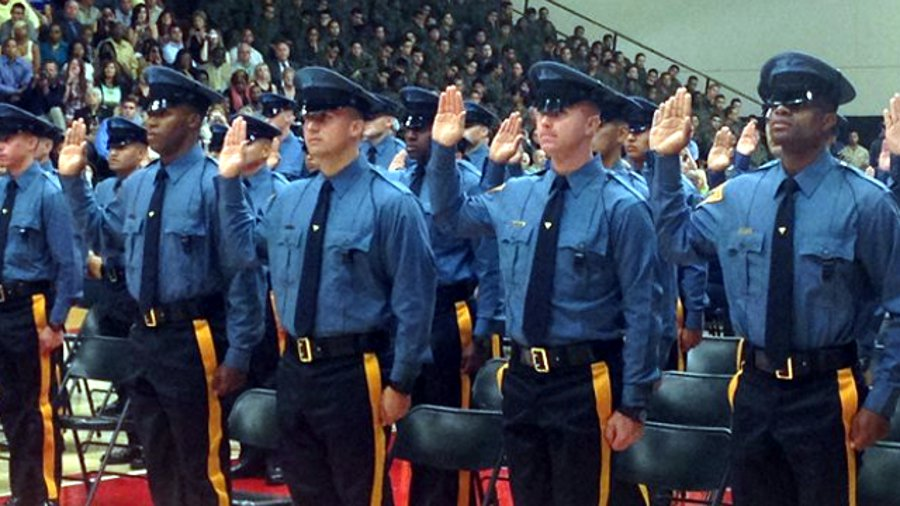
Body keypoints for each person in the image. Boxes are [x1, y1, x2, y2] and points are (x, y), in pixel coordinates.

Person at [649, 51, 900, 506]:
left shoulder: (866, 203)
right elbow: (677, 243)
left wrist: (881, 400)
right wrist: (665, 164)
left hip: (828, 391)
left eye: (795, 102)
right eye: (773, 103)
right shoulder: (741, 194)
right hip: (755, 387)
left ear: (828, 121)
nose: (778, 111)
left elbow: (898, 305)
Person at [425, 61, 659, 505]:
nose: (545, 121)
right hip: (523, 377)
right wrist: (442, 151)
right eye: (540, 111)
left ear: (592, 124)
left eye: (561, 111)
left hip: (585, 379)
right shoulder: (518, 193)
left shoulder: (621, 208)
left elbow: (643, 310)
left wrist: (632, 404)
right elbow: (450, 216)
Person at [216, 66, 436, 505]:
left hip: (354, 371)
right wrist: (228, 183)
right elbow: (243, 252)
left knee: (362, 495)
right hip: (295, 369)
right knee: (308, 493)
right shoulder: (292, 198)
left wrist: (402, 381)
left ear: (356, 126)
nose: (311, 125)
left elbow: (414, 301)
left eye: (325, 116)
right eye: (308, 116)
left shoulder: (391, 203)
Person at [59, 66, 263, 504]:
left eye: (164, 112)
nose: (150, 121)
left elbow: (242, 272)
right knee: (160, 462)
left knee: (202, 468)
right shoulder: (139, 185)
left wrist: (240, 352)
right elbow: (103, 237)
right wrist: (74, 182)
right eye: (150, 111)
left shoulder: (215, 183)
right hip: (144, 335)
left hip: (195, 336)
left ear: (192, 120)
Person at [398, 86, 495, 506]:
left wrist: (485, 329)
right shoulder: (399, 180)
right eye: (408, 126)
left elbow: (490, 264)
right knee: (411, 420)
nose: (411, 135)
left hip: (449, 311)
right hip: (406, 312)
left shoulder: (469, 185)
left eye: (421, 127)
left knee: (447, 426)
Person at [0, 103, 82, 506]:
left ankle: (43, 493)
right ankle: (22, 491)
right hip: (1, 307)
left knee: (37, 408)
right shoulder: (1, 189)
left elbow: (69, 265)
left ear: (32, 142)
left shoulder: (49, 193)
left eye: (8, 138)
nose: (0, 146)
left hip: (30, 307)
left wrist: (56, 321)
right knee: (9, 407)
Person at [224, 113, 288, 485]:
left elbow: (259, 246)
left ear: (265, 148)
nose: (238, 147)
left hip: (268, 295)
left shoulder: (279, 189)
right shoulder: (225, 187)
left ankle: (277, 452)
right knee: (241, 375)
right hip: (233, 295)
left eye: (247, 141)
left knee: (272, 376)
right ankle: (250, 449)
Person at [622, 97, 708, 368]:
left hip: (663, 306)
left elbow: (694, 258)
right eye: (627, 131)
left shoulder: (680, 188)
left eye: (639, 131)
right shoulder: (615, 183)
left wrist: (694, 315)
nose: (631, 139)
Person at [260, 92, 308, 180]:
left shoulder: (302, 150)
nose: (268, 120)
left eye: (273, 113)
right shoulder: (258, 148)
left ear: (289, 117)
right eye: (266, 114)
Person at [359, 93, 405, 171]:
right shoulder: (355, 150)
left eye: (371, 118)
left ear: (389, 121)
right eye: (363, 117)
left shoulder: (401, 152)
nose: (365, 122)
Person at [460, 100, 498, 173]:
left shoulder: (493, 162)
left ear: (484, 131)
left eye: (467, 126)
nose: (460, 130)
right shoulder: (452, 156)